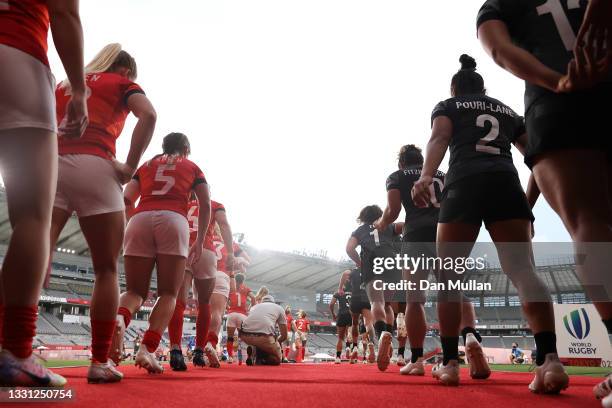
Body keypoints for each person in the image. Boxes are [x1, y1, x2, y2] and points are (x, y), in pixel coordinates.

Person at [477, 0, 611, 401]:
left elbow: (501, 51)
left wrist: (558, 82)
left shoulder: (499, 5)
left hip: (559, 105)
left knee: (589, 223)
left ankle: (545, 356)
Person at [412, 55, 566, 391]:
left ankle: (451, 364)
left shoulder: (448, 105)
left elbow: (439, 138)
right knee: (524, 271)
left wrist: (426, 176)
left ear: (455, 88)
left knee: (449, 276)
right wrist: (528, 205)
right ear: (484, 88)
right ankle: (550, 361)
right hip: (505, 183)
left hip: (463, 183)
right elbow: (536, 156)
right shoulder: (507, 111)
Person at [52, 43, 156, 383]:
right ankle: (99, 361)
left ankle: (12, 350)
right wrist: (129, 166)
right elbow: (149, 115)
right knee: (106, 269)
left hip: (51, 164)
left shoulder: (66, 83)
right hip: (96, 163)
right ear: (125, 70)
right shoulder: (122, 83)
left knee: (36, 254)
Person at [0, 0, 86, 388]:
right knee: (32, 216)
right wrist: (79, 92)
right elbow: (65, 13)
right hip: (18, 52)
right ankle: (16, 352)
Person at [375, 145, 488, 377]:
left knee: (414, 299)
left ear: (401, 163)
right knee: (454, 290)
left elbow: (394, 211)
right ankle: (468, 335)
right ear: (422, 159)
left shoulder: (396, 176)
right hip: (446, 230)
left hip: (415, 234)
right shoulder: (442, 174)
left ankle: (416, 360)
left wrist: (381, 223)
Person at [114, 132, 211, 374]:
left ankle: (119, 319)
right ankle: (147, 348)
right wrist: (199, 242)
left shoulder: (147, 165)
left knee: (135, 290)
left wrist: (131, 222)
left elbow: (126, 198)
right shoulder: (192, 166)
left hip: (140, 217)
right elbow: (205, 203)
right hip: (173, 219)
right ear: (186, 149)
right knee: (169, 293)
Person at [168, 200, 234, 370]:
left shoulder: (183, 199)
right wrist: (231, 253)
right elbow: (224, 225)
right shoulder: (215, 204)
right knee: (204, 304)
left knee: (179, 301)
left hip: (183, 245)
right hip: (205, 249)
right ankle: (198, 352)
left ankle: (175, 350)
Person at [347, 204, 403, 371]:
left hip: (371, 263)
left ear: (363, 216)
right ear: (379, 214)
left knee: (376, 303)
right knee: (387, 304)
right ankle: (389, 333)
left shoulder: (360, 230)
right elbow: (408, 226)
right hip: (391, 263)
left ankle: (381, 334)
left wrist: (359, 262)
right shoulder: (389, 225)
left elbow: (349, 248)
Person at [338, 268, 375, 364]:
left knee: (354, 323)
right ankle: (371, 342)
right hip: (366, 298)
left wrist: (340, 287)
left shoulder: (353, 271)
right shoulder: (369, 270)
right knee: (368, 323)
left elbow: (345, 273)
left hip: (355, 298)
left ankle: (354, 346)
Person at [240, 295, 288, 366]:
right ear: (273, 302)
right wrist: (276, 342)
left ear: (262, 302)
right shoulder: (279, 308)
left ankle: (253, 349)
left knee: (260, 341)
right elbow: (284, 336)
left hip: (244, 335)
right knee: (277, 359)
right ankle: (264, 358)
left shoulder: (254, 307)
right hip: (264, 336)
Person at [224, 273, 255, 365]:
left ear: (235, 280)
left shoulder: (231, 288)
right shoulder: (246, 288)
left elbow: (225, 300)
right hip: (242, 314)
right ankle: (248, 357)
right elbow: (253, 298)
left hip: (232, 314)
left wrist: (228, 307)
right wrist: (250, 309)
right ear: (243, 280)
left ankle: (230, 357)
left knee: (230, 338)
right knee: (244, 337)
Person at [329, 287, 352, 364]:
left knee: (340, 338)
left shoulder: (338, 292)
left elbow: (331, 304)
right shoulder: (353, 292)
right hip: (351, 314)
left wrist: (333, 314)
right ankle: (348, 346)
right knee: (349, 332)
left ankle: (338, 357)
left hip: (341, 314)